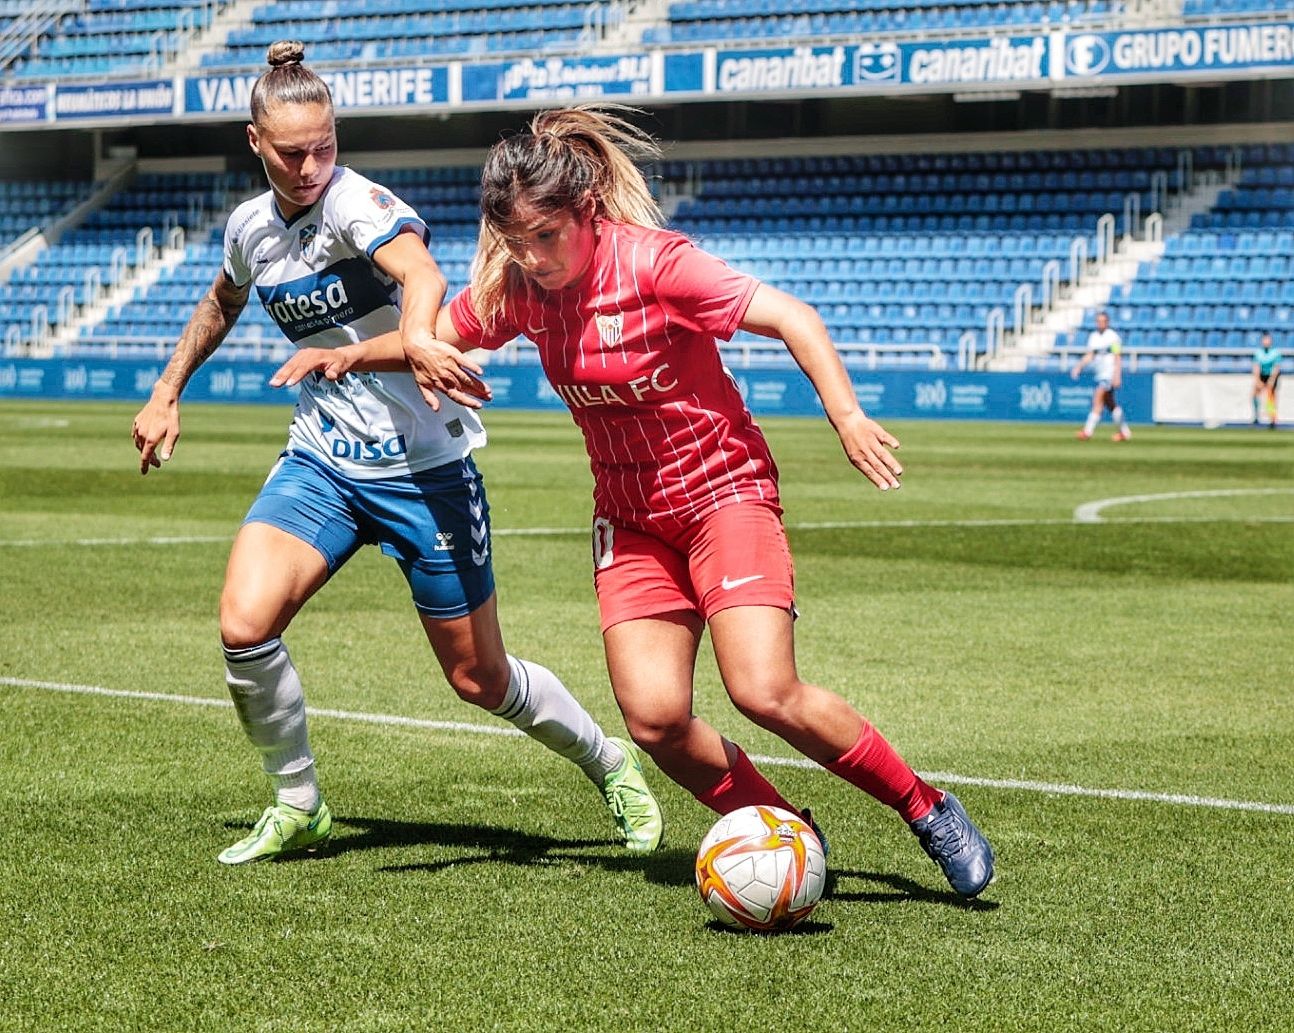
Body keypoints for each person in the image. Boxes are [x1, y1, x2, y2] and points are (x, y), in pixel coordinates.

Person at [325, 106, 995, 898]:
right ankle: (784, 833)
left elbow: (792, 316)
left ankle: (926, 807)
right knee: (654, 720)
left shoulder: (656, 264)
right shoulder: (522, 291)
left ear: (588, 211)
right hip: (631, 519)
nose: (534, 259)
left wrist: (846, 416)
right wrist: (350, 354)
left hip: (725, 495)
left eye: (547, 238)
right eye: (517, 243)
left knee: (762, 689)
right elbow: (436, 332)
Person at [130, 48, 662, 865]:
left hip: (425, 472)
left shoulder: (357, 202)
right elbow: (221, 299)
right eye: (291, 152)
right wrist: (168, 390)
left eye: (325, 145)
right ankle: (299, 801)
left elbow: (419, 268)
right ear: (254, 142)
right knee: (244, 624)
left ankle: (609, 762)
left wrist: (416, 335)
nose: (312, 166)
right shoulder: (248, 229)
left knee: (479, 680)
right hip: (323, 464)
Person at [1070, 310, 1131, 441]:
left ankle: (1087, 431)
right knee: (1110, 404)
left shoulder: (1113, 337)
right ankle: (1124, 432)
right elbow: (1090, 355)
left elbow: (1117, 356)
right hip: (1100, 373)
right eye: (1098, 321)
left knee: (1097, 399)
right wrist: (1079, 366)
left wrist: (1117, 375)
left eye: (1103, 321)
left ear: (1107, 322)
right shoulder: (1094, 337)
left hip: (1109, 374)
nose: (1100, 323)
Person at [1251, 331, 1282, 428]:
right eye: (1264, 340)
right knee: (1254, 394)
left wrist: (1272, 380)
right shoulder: (1258, 353)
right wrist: (1257, 380)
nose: (1266, 342)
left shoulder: (1275, 353)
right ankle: (1256, 416)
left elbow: (1276, 368)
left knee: (1270, 396)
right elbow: (1256, 367)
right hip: (1262, 375)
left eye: (1268, 340)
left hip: (1272, 375)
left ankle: (1272, 419)